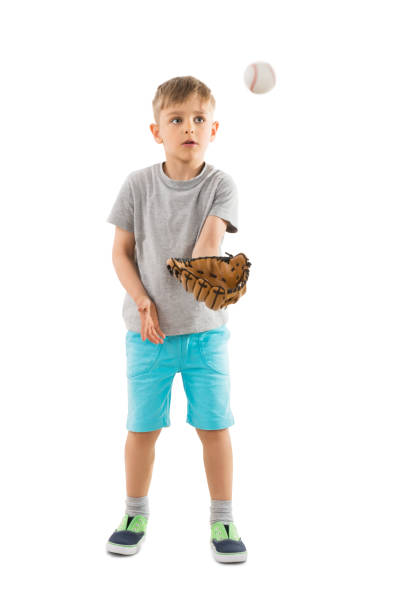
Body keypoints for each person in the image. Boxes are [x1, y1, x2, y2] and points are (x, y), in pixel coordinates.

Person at [105, 75, 247, 563]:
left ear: (214, 128)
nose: (190, 127)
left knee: (214, 427)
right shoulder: (137, 185)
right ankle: (134, 512)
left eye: (200, 118)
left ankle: (223, 518)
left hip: (206, 336)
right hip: (148, 336)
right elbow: (121, 253)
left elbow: (207, 246)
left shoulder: (220, 185)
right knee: (141, 429)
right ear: (156, 130)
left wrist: (218, 273)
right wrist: (143, 300)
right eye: (177, 119)